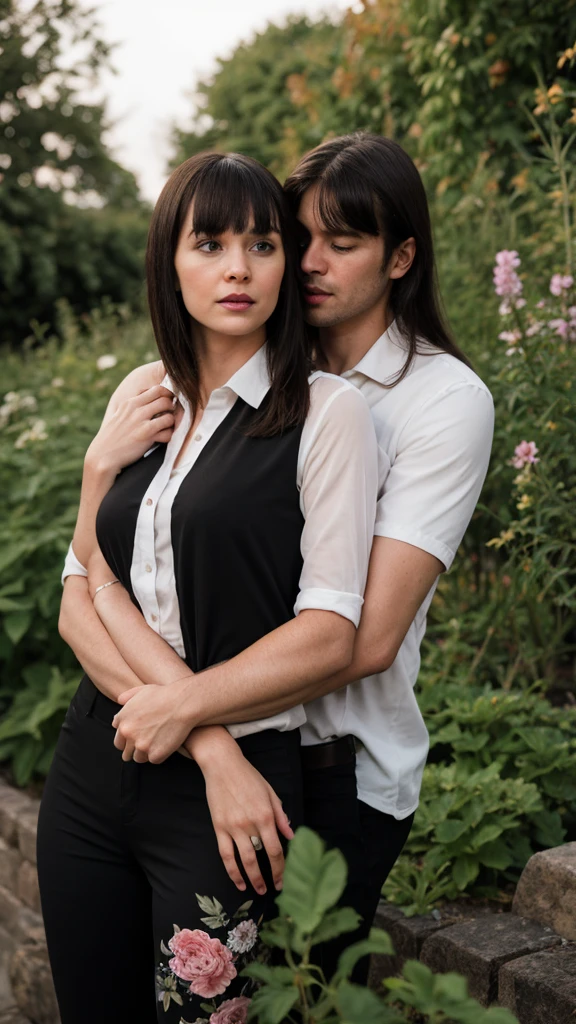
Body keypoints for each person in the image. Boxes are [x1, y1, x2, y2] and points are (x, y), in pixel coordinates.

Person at [101, 132, 494, 982]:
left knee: (296, 995)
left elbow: (369, 637)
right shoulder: (255, 366)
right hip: (224, 749)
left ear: (401, 258)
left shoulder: (443, 402)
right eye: (298, 236)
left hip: (334, 769)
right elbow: (115, 574)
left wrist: (184, 710)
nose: (310, 263)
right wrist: (209, 736)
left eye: (342, 243)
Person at [36, 150, 378, 1023]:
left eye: (263, 245)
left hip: (229, 808)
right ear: (168, 260)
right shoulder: (141, 394)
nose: (238, 268)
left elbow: (331, 632)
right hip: (97, 765)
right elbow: (83, 593)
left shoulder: (325, 412)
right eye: (211, 243)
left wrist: (209, 743)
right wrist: (93, 471)